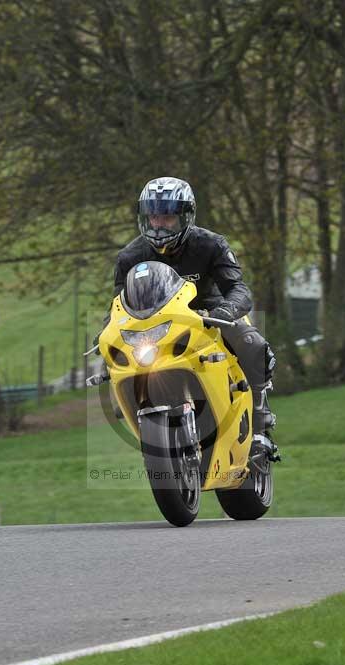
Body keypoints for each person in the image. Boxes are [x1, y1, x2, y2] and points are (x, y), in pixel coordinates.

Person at [97, 176, 279, 459]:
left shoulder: (211, 244)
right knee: (120, 362)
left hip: (210, 314)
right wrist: (106, 333)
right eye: (153, 217)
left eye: (167, 218)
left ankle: (259, 424)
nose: (158, 225)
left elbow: (239, 288)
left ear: (186, 216)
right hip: (157, 326)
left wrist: (226, 311)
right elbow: (118, 305)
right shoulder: (129, 257)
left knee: (251, 344)